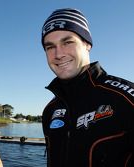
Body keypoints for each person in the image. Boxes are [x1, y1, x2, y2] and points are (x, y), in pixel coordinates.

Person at [41, 8, 133, 167]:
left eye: (67, 42)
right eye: (50, 47)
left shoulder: (125, 98)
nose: (58, 54)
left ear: (87, 44)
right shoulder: (50, 110)